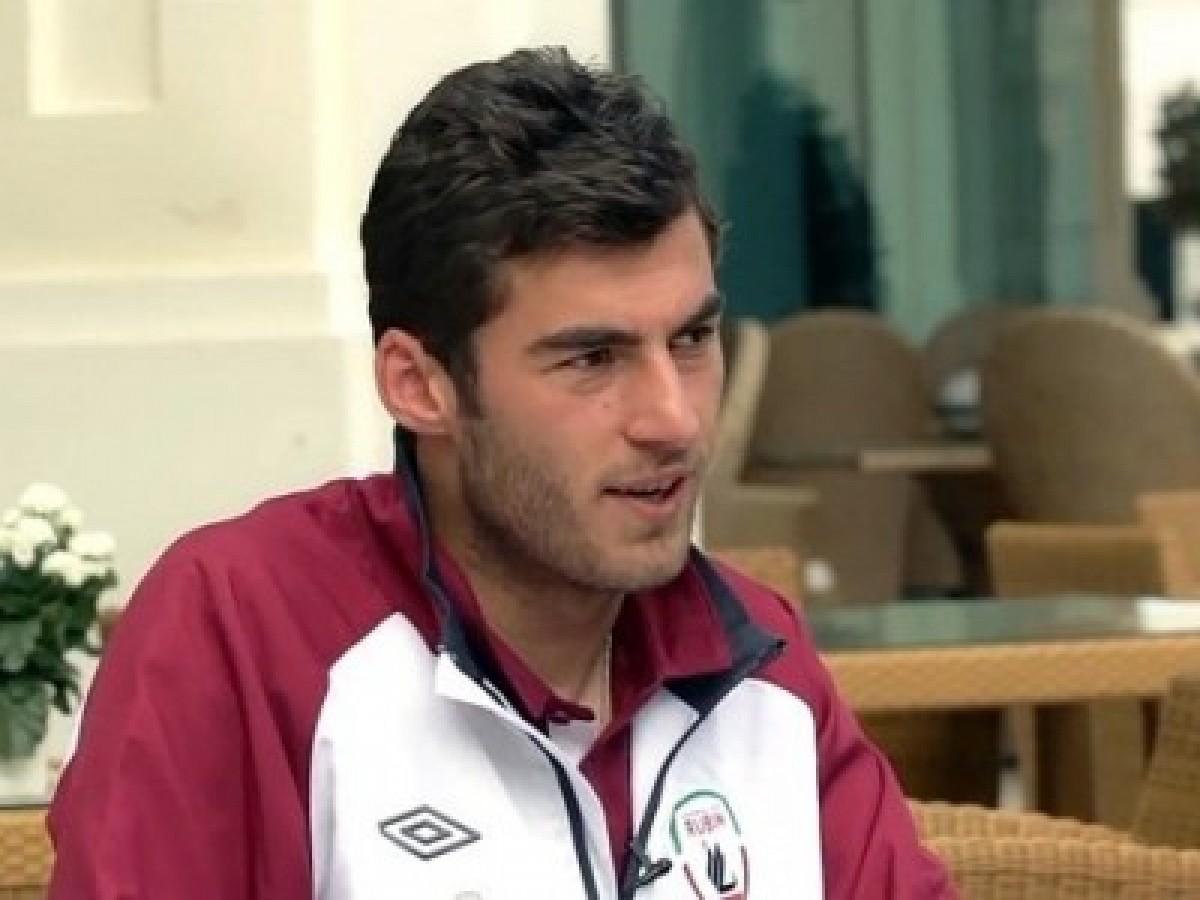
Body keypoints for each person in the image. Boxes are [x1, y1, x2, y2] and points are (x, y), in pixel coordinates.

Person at [48, 47, 957, 899]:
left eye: (690, 340)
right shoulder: (239, 630)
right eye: (591, 358)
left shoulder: (761, 663)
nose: (673, 419)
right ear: (420, 385)